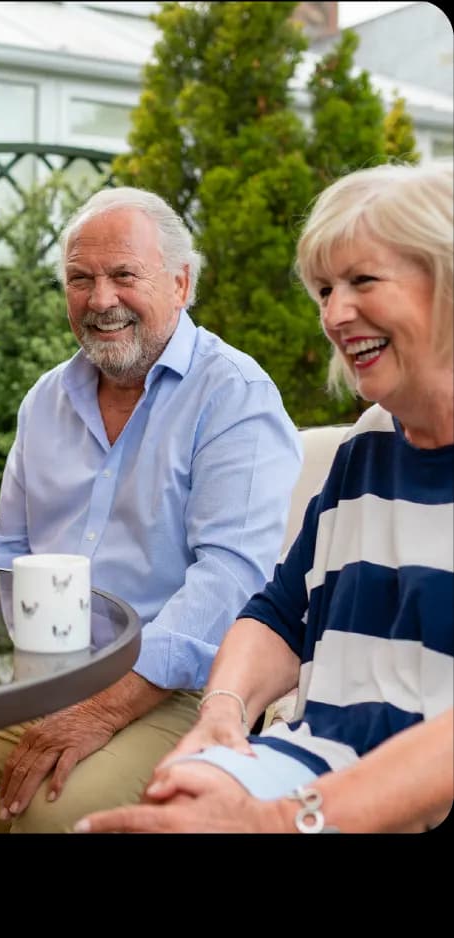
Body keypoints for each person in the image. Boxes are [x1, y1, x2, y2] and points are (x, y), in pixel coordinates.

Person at [75, 162, 454, 834]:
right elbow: (282, 612)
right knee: (171, 804)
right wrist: (222, 707)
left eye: (363, 281)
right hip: (317, 762)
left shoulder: (230, 391)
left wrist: (278, 820)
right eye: (324, 289)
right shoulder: (368, 448)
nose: (335, 314)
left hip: (414, 798)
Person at [0, 185, 303, 833]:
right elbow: (7, 551)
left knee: (58, 812)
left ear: (181, 282)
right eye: (81, 279)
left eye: (124, 275)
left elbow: (231, 582)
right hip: (41, 674)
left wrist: (103, 707)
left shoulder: (234, 395)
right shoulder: (47, 398)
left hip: (181, 688)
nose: (101, 300)